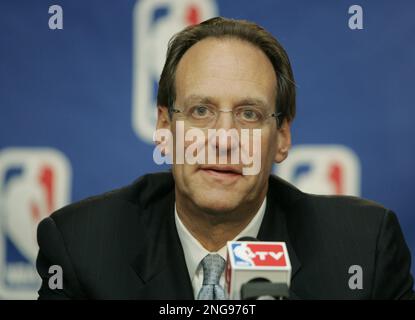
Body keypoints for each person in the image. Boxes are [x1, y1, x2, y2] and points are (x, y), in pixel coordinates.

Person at [36, 17, 414, 300]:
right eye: (201, 111)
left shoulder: (364, 251)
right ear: (165, 127)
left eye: (249, 114)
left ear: (282, 138)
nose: (224, 140)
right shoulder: (82, 247)